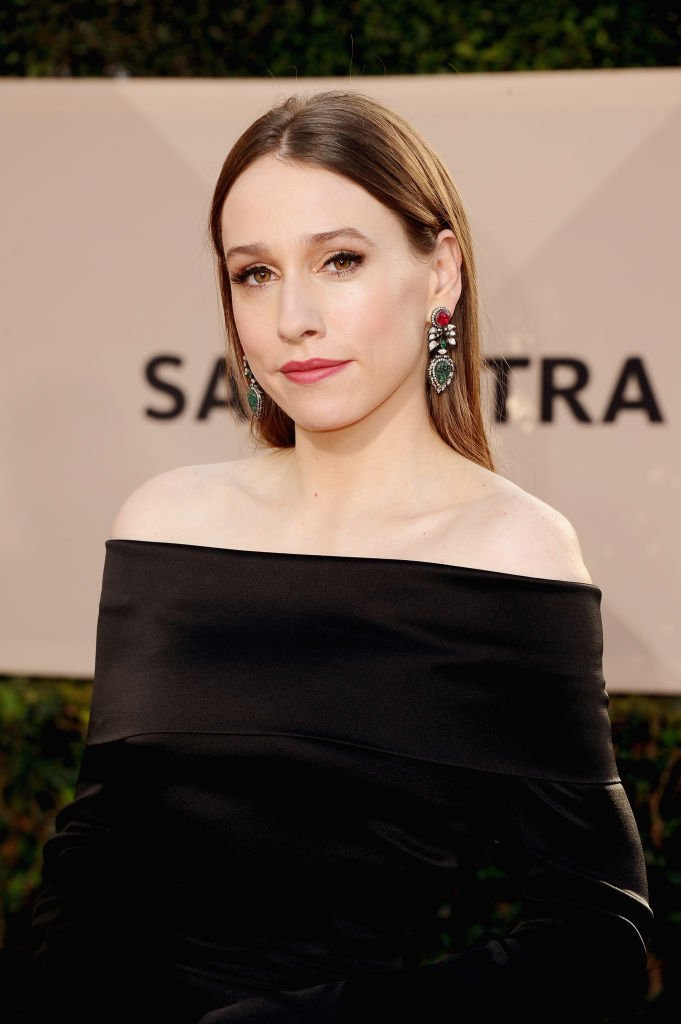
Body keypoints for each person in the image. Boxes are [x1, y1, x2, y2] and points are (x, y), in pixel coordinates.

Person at [30, 88, 653, 1024]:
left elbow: (597, 940)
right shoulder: (167, 521)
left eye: (340, 260)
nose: (294, 317)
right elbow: (94, 847)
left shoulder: (511, 556)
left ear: (439, 271)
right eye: (254, 273)